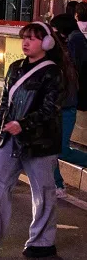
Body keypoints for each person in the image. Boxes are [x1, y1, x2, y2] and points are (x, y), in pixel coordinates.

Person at [0, 22, 68, 259]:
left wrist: (23, 124)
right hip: (10, 138)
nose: (26, 42)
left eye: (33, 38)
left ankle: (42, 242)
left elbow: (50, 109)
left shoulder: (53, 73)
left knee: (43, 191)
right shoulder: (16, 67)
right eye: (25, 38)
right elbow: (5, 101)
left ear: (47, 43)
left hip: (40, 141)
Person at [49, 14, 87, 195]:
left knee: (59, 150)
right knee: (51, 148)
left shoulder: (73, 43)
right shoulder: (63, 48)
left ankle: (58, 185)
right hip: (58, 107)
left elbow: (76, 71)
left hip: (65, 107)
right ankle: (57, 184)